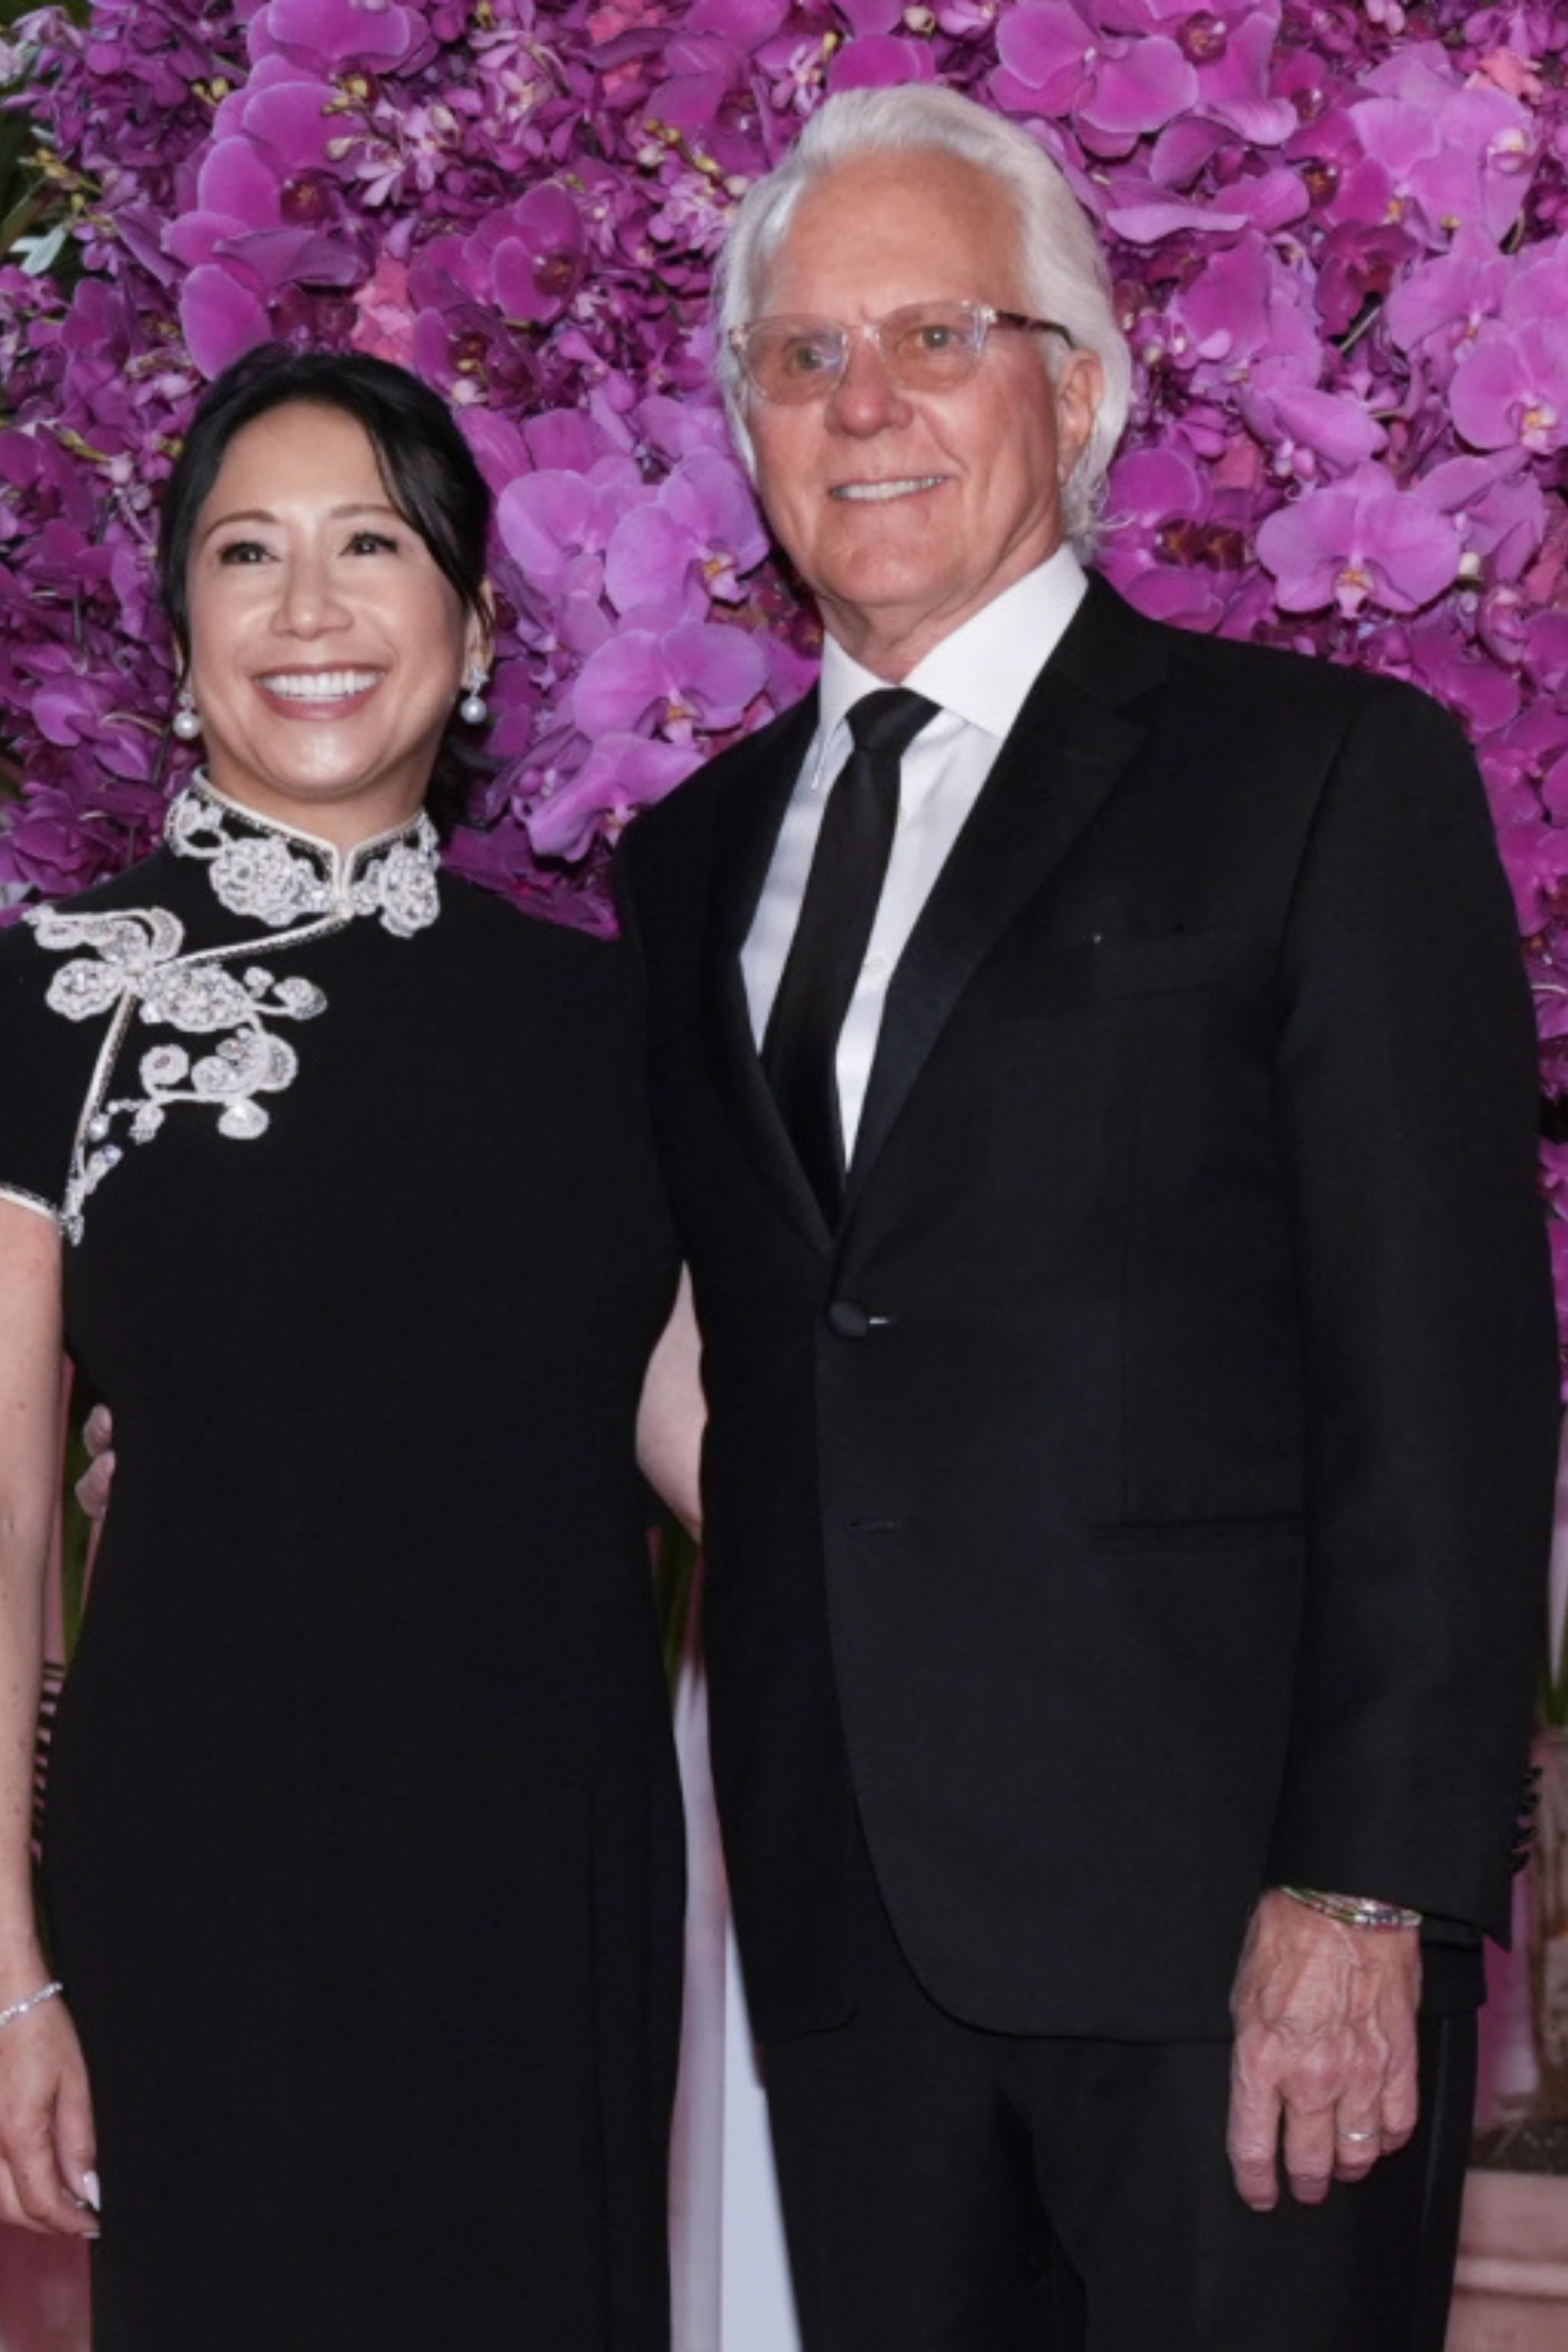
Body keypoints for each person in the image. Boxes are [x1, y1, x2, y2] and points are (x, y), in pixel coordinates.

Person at [614, 84, 1562, 2351]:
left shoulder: (1324, 781)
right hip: (848, 1938)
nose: (864, 408)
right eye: (802, 358)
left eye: (936, 336)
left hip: (1230, 1941)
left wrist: (1362, 1888)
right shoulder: (686, 864)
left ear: (1084, 378)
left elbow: (1445, 1377)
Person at [0, 347, 695, 2350]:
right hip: (208, 1877)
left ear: (473, 630)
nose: (309, 609)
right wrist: (9, 1967)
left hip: (548, 1883)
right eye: (247, 553)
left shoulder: (604, 1025)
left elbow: (719, 1442)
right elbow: (8, 1524)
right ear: (183, 625)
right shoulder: (56, 995)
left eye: (370, 547)